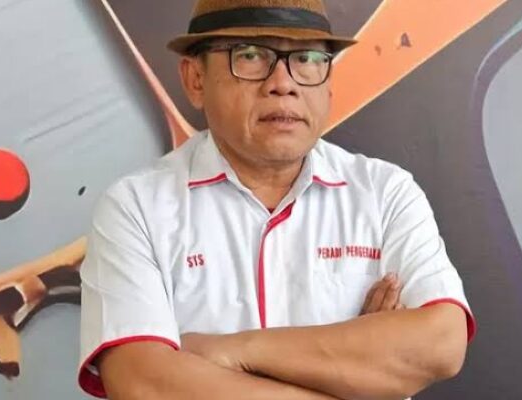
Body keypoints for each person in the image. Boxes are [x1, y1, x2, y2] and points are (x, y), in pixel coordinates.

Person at [78, 1, 476, 399]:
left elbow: (442, 343)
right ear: (195, 79)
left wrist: (237, 351)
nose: (283, 83)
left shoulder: (384, 193)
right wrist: (356, 362)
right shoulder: (137, 208)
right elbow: (143, 383)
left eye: (307, 59)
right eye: (250, 56)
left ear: (328, 82)